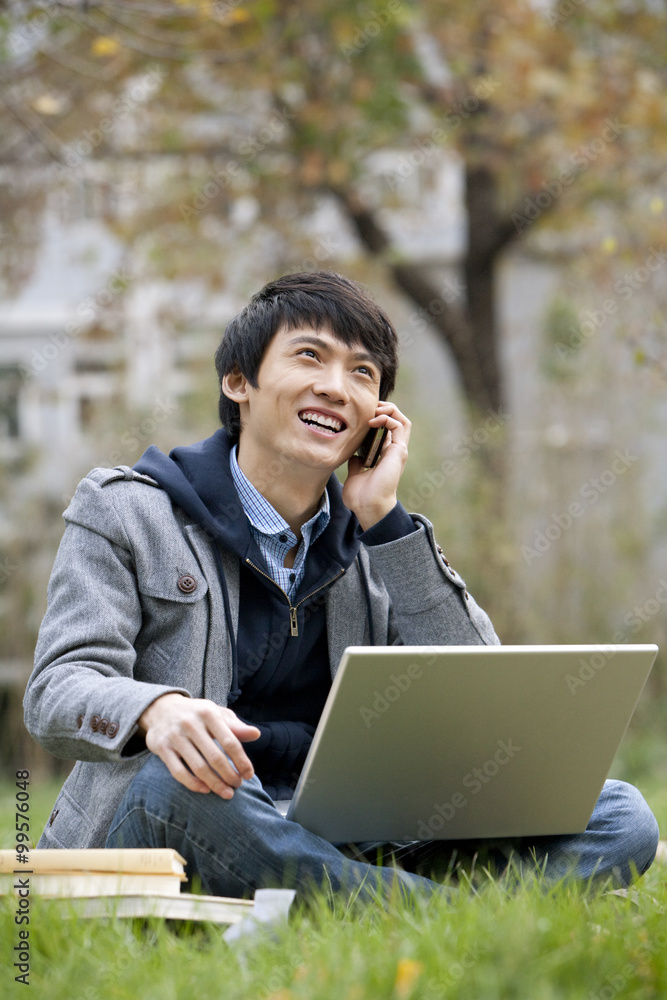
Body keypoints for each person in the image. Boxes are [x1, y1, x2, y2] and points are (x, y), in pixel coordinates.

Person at [24, 271, 658, 903]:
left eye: (362, 373)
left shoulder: (380, 542)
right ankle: (443, 913)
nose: (336, 387)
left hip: (336, 830)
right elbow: (57, 690)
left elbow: (480, 700)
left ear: (379, 419)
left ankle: (358, 898)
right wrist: (155, 710)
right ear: (238, 381)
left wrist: (385, 520)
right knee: (176, 782)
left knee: (619, 816)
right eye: (310, 356)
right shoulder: (126, 511)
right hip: (185, 818)